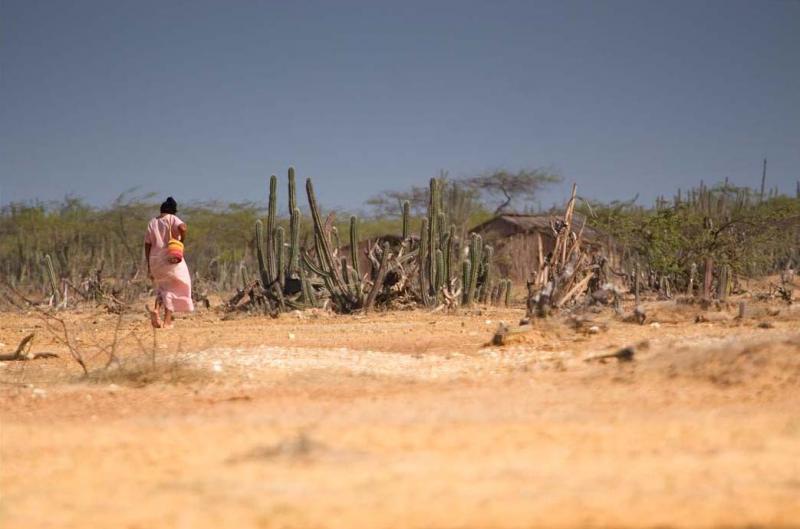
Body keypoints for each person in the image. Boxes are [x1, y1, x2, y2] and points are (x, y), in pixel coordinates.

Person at [144, 197, 194, 328]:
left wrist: (149, 265)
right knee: (174, 288)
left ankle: (156, 309)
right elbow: (183, 228)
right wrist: (181, 241)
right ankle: (167, 322)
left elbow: (147, 244)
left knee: (163, 288)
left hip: (155, 260)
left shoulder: (152, 222)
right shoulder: (172, 218)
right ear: (172, 211)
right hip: (170, 258)